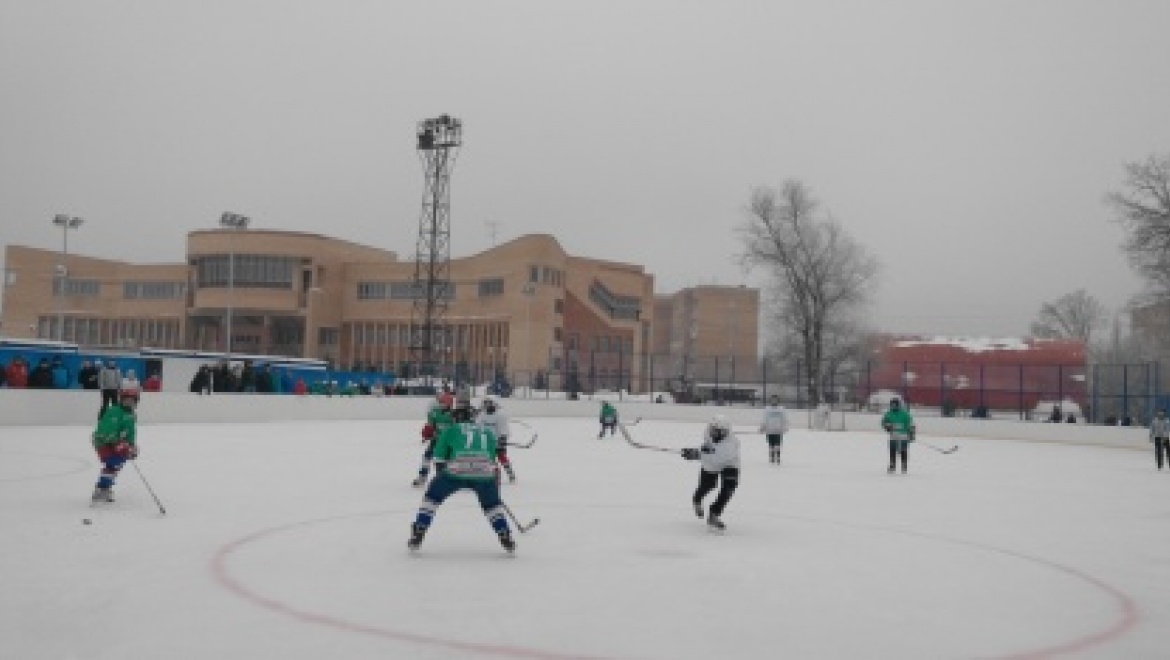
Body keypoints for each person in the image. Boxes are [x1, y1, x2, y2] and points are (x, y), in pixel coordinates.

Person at [407, 403, 515, 553]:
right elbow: (491, 457)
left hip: (456, 471)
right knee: (492, 506)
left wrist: (441, 478)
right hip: (485, 472)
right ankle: (504, 534)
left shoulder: (451, 429)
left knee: (432, 498)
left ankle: (419, 530)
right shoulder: (487, 432)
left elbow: (438, 458)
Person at [682, 415, 740, 532]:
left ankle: (714, 513)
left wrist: (697, 455)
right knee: (707, 486)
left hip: (729, 464)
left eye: (718, 431)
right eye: (713, 430)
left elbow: (717, 457)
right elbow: (706, 448)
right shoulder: (707, 432)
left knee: (728, 488)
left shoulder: (730, 445)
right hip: (710, 464)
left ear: (725, 432)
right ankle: (697, 499)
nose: (714, 433)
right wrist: (695, 451)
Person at [90, 386, 140, 503]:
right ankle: (101, 489)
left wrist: (131, 446)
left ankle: (104, 488)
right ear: (121, 399)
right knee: (113, 463)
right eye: (127, 399)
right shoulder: (114, 411)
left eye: (132, 400)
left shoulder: (131, 415)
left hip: (119, 443)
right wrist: (115, 443)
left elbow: (131, 432)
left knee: (116, 465)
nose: (129, 402)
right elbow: (108, 428)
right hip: (104, 442)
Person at [412, 392, 455, 487]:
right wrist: (427, 432)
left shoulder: (453, 415)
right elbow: (430, 426)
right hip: (436, 440)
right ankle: (422, 476)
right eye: (440, 402)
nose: (441, 405)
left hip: (448, 442)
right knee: (427, 457)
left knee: (444, 461)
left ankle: (444, 478)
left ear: (449, 404)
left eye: (443, 403)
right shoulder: (435, 412)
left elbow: (456, 429)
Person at [477, 397, 516, 483]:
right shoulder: (481, 415)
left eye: (488, 403)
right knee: (489, 458)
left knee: (501, 456)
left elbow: (503, 429)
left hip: (498, 440)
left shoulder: (500, 415)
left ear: (494, 404)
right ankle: (493, 475)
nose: (486, 405)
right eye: (485, 403)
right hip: (486, 441)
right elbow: (478, 427)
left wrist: (502, 438)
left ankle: (510, 473)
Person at [881, 398, 916, 474]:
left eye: (895, 405)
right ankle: (892, 465)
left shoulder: (905, 414)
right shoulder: (888, 414)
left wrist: (912, 433)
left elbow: (911, 424)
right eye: (892, 405)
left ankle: (904, 465)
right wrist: (887, 427)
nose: (893, 407)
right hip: (893, 435)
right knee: (892, 449)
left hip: (904, 435)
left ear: (898, 405)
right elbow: (884, 422)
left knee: (903, 450)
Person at [759, 395, 789, 464]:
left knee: (778, 445)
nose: (774, 401)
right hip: (770, 430)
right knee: (771, 445)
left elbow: (785, 419)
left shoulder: (782, 409)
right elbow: (764, 419)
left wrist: (785, 427)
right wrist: (762, 427)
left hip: (778, 430)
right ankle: (772, 457)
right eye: (773, 400)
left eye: (775, 400)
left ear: (778, 401)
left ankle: (778, 457)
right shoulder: (767, 409)